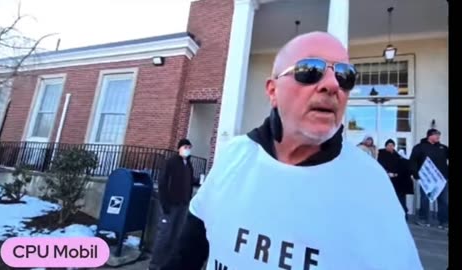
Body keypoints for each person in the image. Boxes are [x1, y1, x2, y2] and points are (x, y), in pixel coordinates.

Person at [162, 32, 422, 270]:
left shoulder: (371, 185)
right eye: (311, 70)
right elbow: (187, 253)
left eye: (345, 75)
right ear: (273, 91)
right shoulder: (233, 156)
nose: (332, 85)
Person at [148, 139, 197, 270]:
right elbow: (162, 183)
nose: (187, 149)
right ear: (179, 148)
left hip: (183, 204)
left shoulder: (188, 164)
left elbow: (189, 181)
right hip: (170, 205)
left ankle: (168, 263)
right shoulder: (171, 162)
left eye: (189, 147)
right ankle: (155, 265)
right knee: (164, 235)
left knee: (177, 235)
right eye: (185, 146)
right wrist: (165, 204)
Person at [410, 128, 449, 229]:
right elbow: (413, 160)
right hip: (426, 179)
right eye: (436, 135)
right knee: (425, 199)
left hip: (442, 179)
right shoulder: (419, 147)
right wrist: (415, 174)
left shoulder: (443, 148)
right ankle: (424, 219)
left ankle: (444, 221)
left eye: (439, 135)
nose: (438, 137)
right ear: (429, 136)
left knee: (443, 200)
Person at [377, 139, 406, 219]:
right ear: (385, 146)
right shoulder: (381, 153)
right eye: (389, 145)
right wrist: (387, 173)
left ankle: (401, 213)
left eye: (392, 145)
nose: (390, 147)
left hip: (396, 180)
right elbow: (380, 165)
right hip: (385, 178)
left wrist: (398, 174)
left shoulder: (397, 155)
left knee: (398, 197)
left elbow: (401, 165)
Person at [397, 149, 415, 220]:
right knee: (402, 198)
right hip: (405, 183)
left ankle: (404, 212)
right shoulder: (408, 161)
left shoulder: (398, 161)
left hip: (400, 183)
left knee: (400, 198)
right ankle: (405, 212)